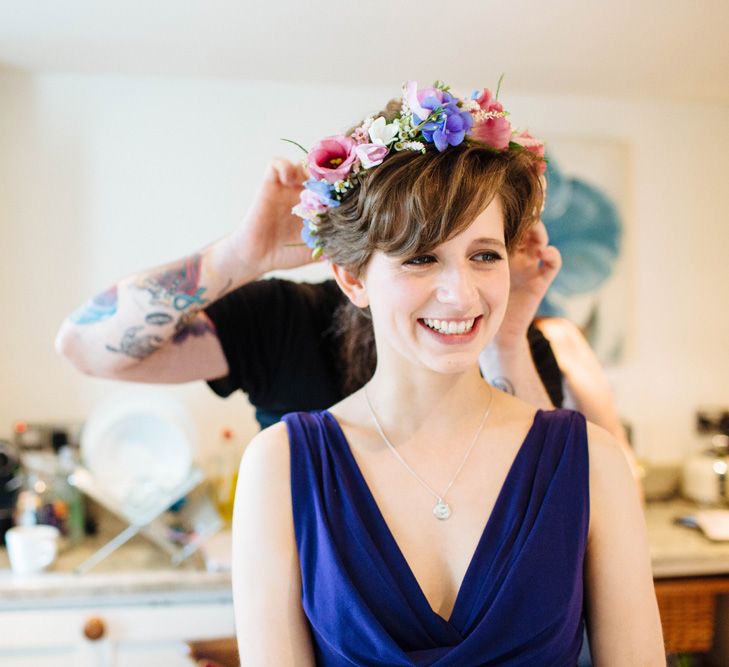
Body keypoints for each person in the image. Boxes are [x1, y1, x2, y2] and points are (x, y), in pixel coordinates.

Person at [232, 81, 664, 665]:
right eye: (420, 257)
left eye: (484, 255)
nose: (460, 294)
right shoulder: (281, 466)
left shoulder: (592, 462)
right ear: (353, 278)